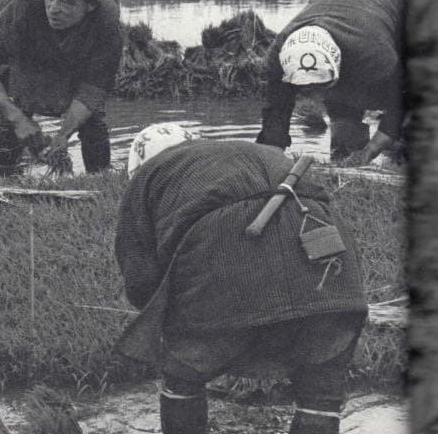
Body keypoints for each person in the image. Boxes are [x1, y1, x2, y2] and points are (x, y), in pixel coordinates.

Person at [115, 124, 368, 434]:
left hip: (227, 255)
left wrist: (166, 321)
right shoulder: (251, 151)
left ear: (137, 165)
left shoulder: (147, 175)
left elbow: (140, 276)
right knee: (321, 390)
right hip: (327, 258)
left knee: (184, 371)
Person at [0, 0, 123, 174]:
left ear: (89, 6)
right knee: (15, 119)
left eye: (67, 2)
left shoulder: (106, 22)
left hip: (79, 61)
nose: (54, 8)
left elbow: (94, 86)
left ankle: (100, 182)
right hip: (30, 55)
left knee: (92, 122)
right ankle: (3, 177)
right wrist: (18, 118)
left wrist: (63, 136)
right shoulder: (22, 7)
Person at [256, 0, 406, 163]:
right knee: (344, 142)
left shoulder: (373, 54)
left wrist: (372, 148)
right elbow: (276, 112)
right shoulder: (278, 57)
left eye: (319, 86)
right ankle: (351, 153)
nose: (315, 96)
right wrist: (269, 159)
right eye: (305, 87)